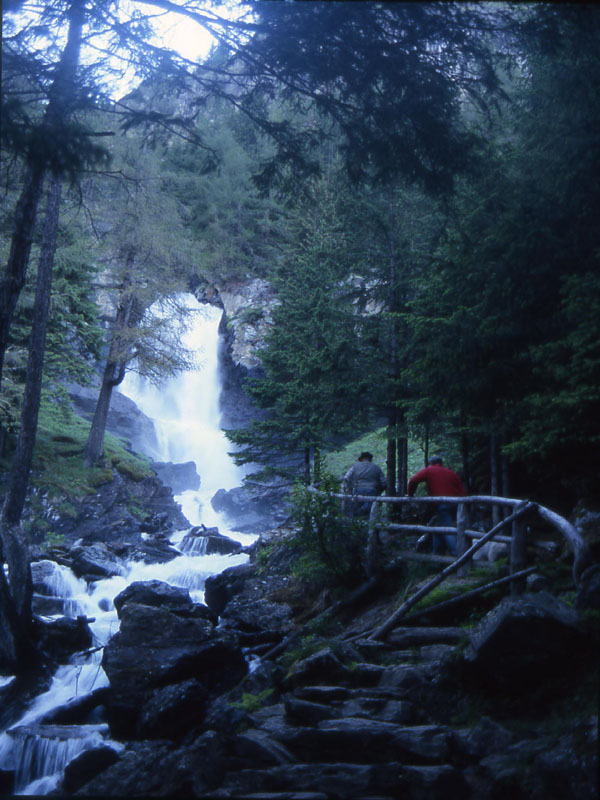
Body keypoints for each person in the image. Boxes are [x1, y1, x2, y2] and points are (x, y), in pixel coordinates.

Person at [407, 455, 466, 554]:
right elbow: (462, 491)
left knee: (447, 528)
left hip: (442, 504)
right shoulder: (452, 473)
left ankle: (457, 554)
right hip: (455, 504)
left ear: (431, 463)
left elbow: (413, 480)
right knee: (439, 526)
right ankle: (437, 552)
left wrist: (410, 494)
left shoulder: (429, 471)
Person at [343, 451, 386, 517]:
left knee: (355, 508)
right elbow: (384, 482)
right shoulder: (376, 468)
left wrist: (349, 489)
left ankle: (356, 521)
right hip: (372, 490)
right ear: (370, 459)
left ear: (361, 458)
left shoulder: (355, 466)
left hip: (358, 490)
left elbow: (346, 478)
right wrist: (380, 490)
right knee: (369, 510)